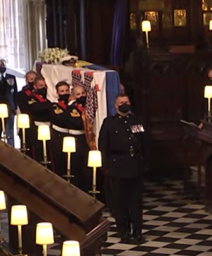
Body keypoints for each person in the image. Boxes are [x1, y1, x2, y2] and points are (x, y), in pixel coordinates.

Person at [99, 93, 149, 243]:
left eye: (126, 101)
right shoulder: (109, 122)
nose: (124, 104)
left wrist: (145, 163)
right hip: (117, 166)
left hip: (134, 165)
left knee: (135, 202)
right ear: (116, 106)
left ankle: (137, 231)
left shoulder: (136, 121)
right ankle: (124, 232)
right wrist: (105, 166)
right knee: (120, 202)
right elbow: (103, 145)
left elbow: (144, 142)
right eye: (121, 102)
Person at [18, 76, 53, 163]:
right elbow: (36, 108)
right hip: (37, 129)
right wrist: (49, 106)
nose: (43, 88)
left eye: (45, 86)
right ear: (35, 87)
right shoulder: (31, 98)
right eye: (41, 86)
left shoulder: (47, 99)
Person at [63, 85, 91, 192]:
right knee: (75, 167)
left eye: (83, 93)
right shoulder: (72, 109)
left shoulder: (88, 107)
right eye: (78, 94)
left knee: (86, 168)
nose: (81, 96)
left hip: (85, 139)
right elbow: (78, 123)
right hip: (75, 139)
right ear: (73, 96)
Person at [49, 80, 73, 174]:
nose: (65, 93)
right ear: (57, 93)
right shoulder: (54, 106)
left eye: (67, 91)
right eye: (62, 91)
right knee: (59, 165)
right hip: (58, 137)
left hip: (70, 136)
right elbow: (63, 119)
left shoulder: (73, 105)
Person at [0, 59, 18, 146]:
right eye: (0, 65)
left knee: (9, 132)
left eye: (3, 65)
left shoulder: (11, 77)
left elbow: (15, 93)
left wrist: (15, 107)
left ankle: (11, 153)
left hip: (9, 108)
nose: (2, 67)